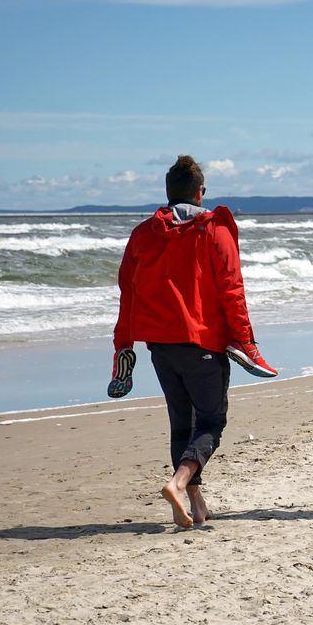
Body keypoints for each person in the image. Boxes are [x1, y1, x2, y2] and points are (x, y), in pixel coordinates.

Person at [111, 154, 277, 529]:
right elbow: (232, 290)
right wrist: (244, 341)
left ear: (169, 193)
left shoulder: (142, 234)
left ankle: (194, 504)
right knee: (211, 423)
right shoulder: (213, 230)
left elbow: (127, 292)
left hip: (160, 347)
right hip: (203, 343)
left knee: (180, 425)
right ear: (200, 192)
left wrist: (123, 345)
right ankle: (178, 483)